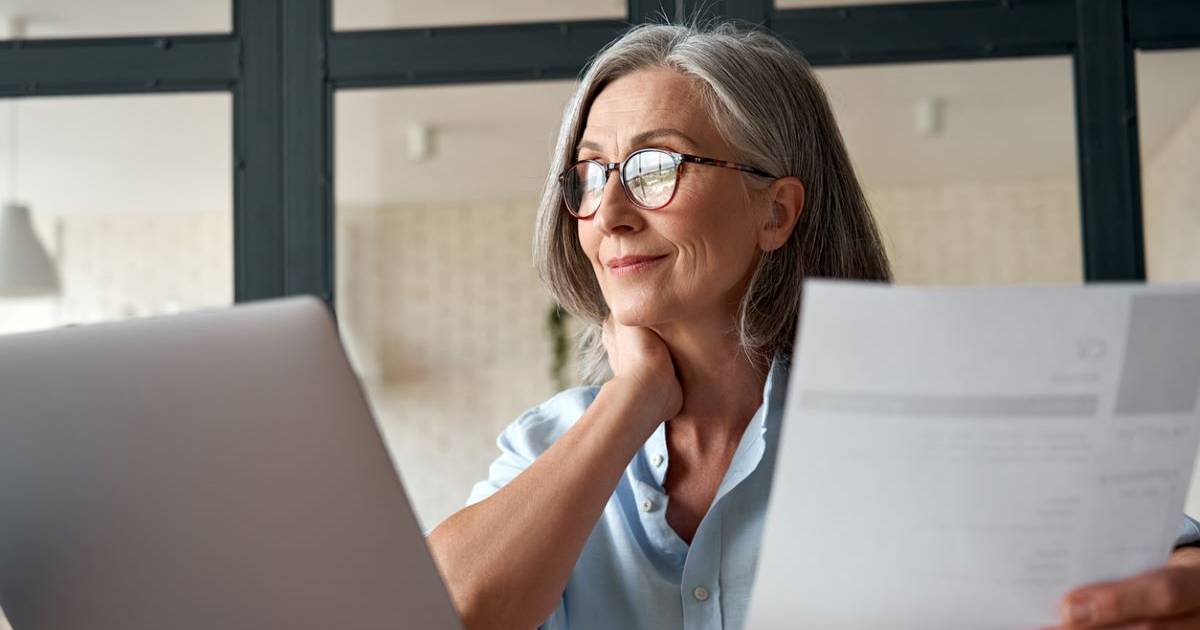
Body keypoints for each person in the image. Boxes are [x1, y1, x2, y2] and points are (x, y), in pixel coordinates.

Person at [427, 22, 1200, 630]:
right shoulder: (545, 445)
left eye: (656, 167)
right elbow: (444, 614)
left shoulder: (911, 421)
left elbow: (1159, 559)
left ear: (776, 210)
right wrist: (633, 397)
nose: (611, 214)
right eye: (590, 175)